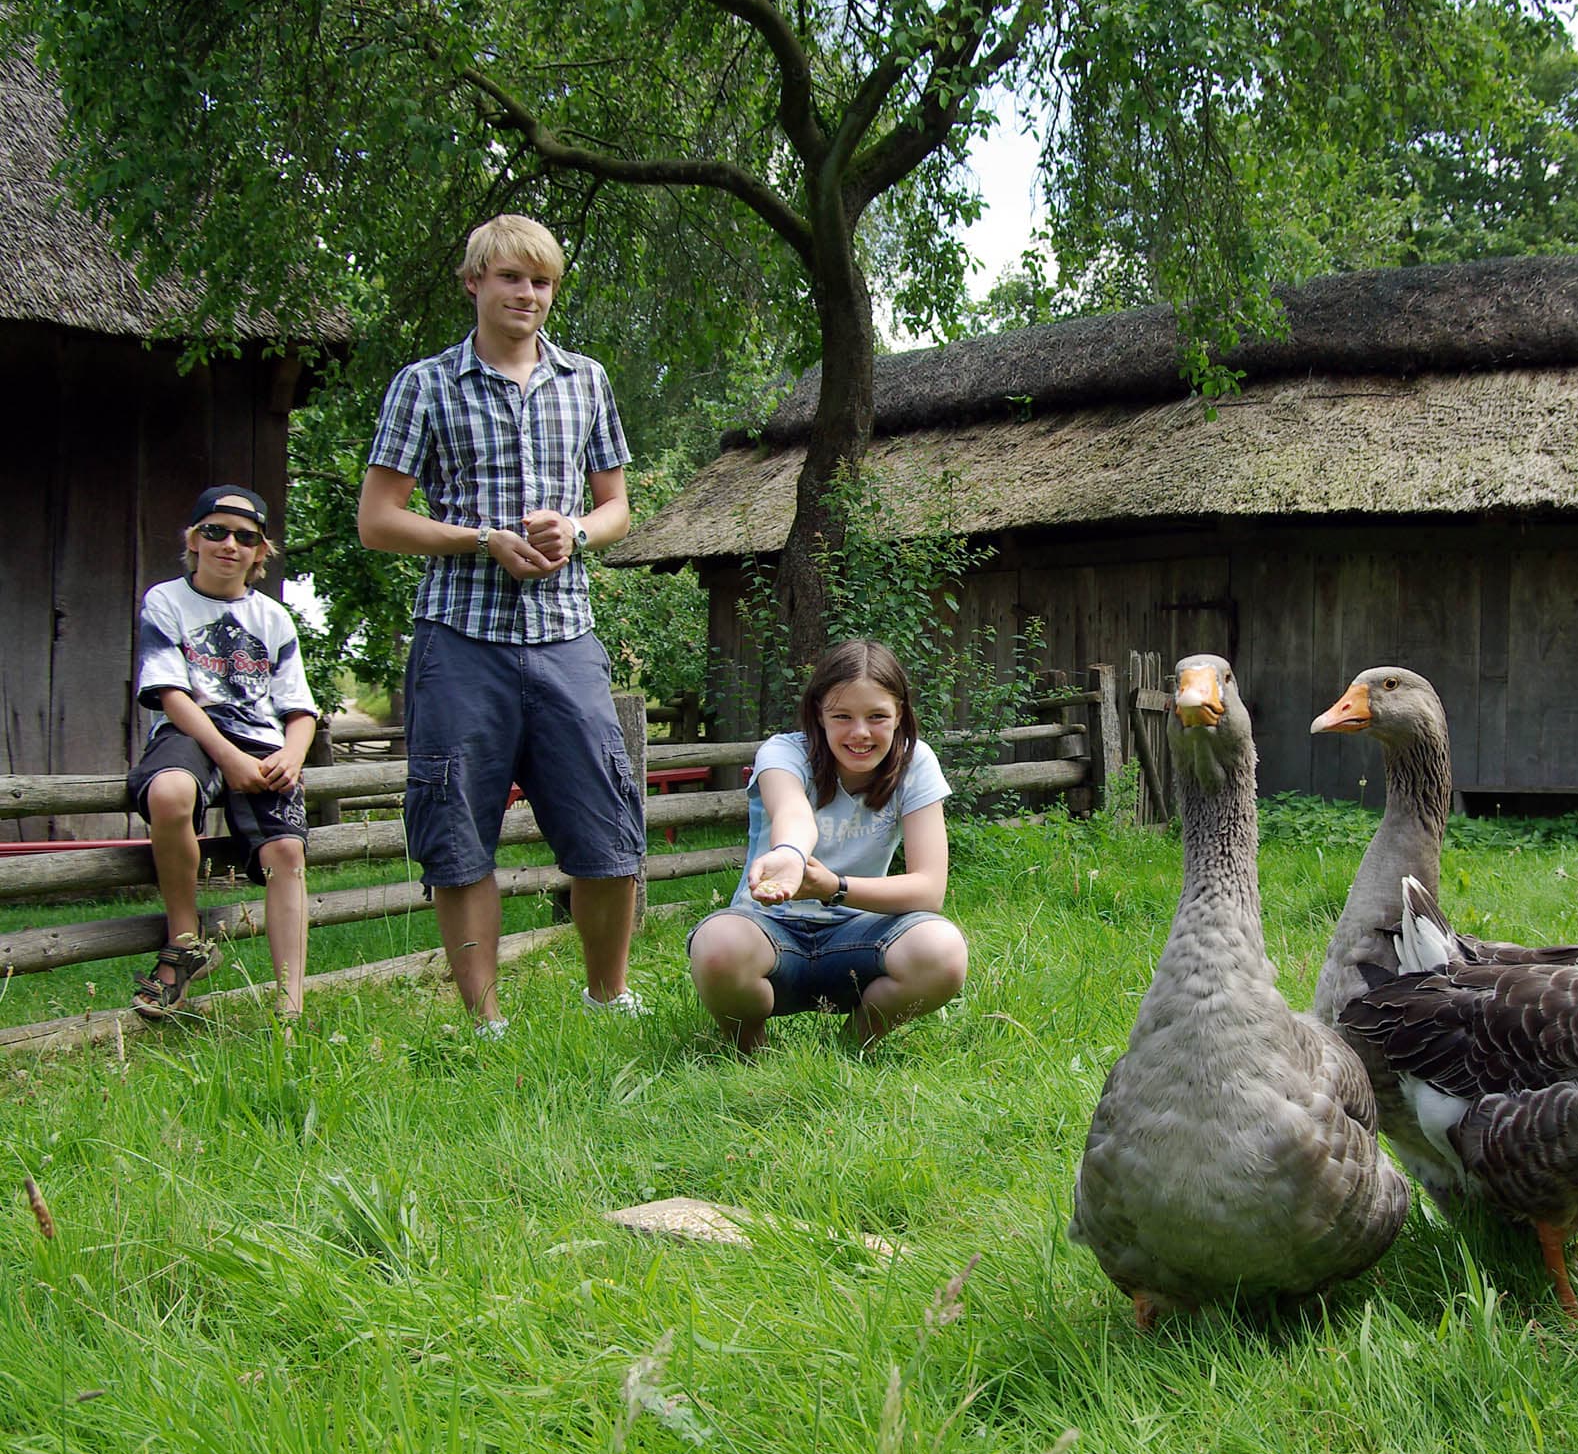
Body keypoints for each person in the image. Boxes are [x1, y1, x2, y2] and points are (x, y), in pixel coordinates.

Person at [358, 214, 643, 1036]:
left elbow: (618, 505)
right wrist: (482, 539)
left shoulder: (586, 380)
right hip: (460, 637)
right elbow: (379, 519)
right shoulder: (425, 384)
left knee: (607, 824)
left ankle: (606, 999)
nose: (527, 294)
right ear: (474, 282)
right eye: (511, 277)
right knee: (457, 829)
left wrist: (577, 531)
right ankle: (484, 1023)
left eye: (541, 281)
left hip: (565, 634)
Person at [688, 640, 970, 1053]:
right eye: (842, 716)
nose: (860, 732)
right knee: (718, 944)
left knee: (942, 949)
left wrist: (833, 887)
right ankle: (746, 1051)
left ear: (900, 716)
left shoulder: (916, 762)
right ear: (818, 715)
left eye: (877, 716)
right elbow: (793, 813)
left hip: (861, 936)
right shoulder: (783, 753)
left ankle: (852, 1048)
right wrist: (790, 855)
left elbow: (929, 890)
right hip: (768, 929)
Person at [126, 485, 318, 1022]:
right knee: (169, 791)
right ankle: (185, 943)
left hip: (261, 739)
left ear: (261, 552)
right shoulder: (166, 601)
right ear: (193, 539)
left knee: (286, 854)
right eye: (215, 531)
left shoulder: (275, 618)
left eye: (245, 537)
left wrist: (294, 755)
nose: (228, 544)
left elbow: (299, 708)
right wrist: (227, 758)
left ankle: (289, 1006)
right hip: (191, 729)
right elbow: (170, 693)